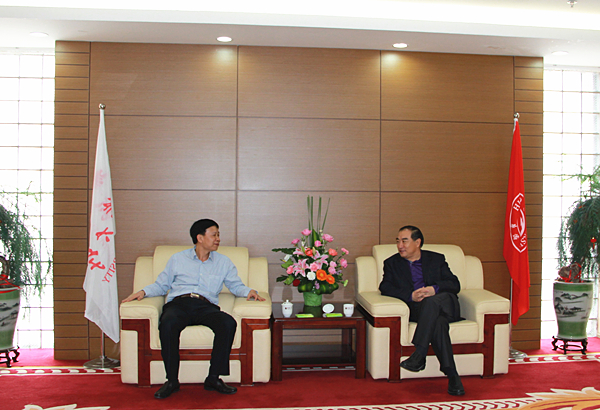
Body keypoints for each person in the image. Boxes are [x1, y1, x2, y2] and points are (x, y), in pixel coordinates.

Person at [122, 219, 265, 399]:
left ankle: (213, 378)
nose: (218, 239)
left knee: (227, 323)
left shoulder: (223, 262)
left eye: (218, 235)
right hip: (179, 304)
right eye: (214, 235)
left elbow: (235, 285)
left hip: (205, 306)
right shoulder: (177, 259)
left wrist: (249, 291)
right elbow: (161, 285)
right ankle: (172, 380)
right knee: (168, 323)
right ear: (200, 237)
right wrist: (143, 292)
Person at [379, 225, 464, 396]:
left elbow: (454, 284)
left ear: (417, 242)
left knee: (432, 301)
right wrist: (410, 295)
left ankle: (419, 353)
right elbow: (385, 287)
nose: (400, 245)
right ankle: (453, 376)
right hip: (421, 311)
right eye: (398, 241)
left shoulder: (436, 259)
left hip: (444, 305)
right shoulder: (392, 263)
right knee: (438, 324)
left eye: (404, 241)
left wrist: (434, 289)